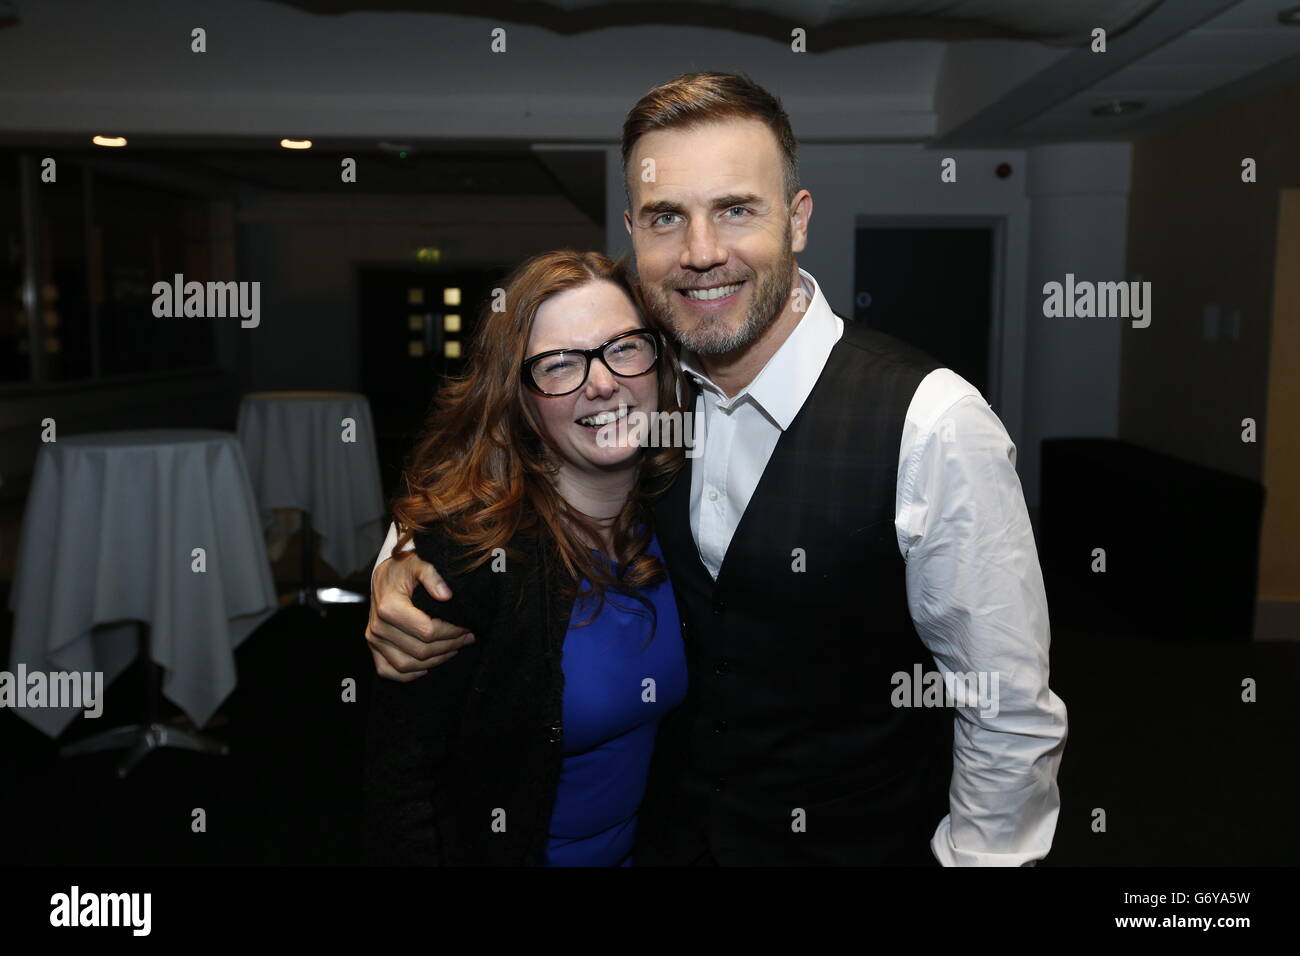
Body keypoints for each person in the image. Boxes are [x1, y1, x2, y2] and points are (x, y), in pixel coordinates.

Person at [366, 72, 1068, 866]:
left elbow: (1005, 712)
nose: (701, 253)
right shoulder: (651, 392)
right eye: (669, 218)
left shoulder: (931, 424)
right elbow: (507, 458)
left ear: (797, 222)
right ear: (636, 234)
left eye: (736, 209)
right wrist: (401, 564)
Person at [361, 249, 689, 866]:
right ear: (521, 403)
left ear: (660, 363)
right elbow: (401, 796)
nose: (602, 382)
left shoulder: (685, 517)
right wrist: (403, 551)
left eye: (624, 347)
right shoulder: (465, 566)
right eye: (560, 364)